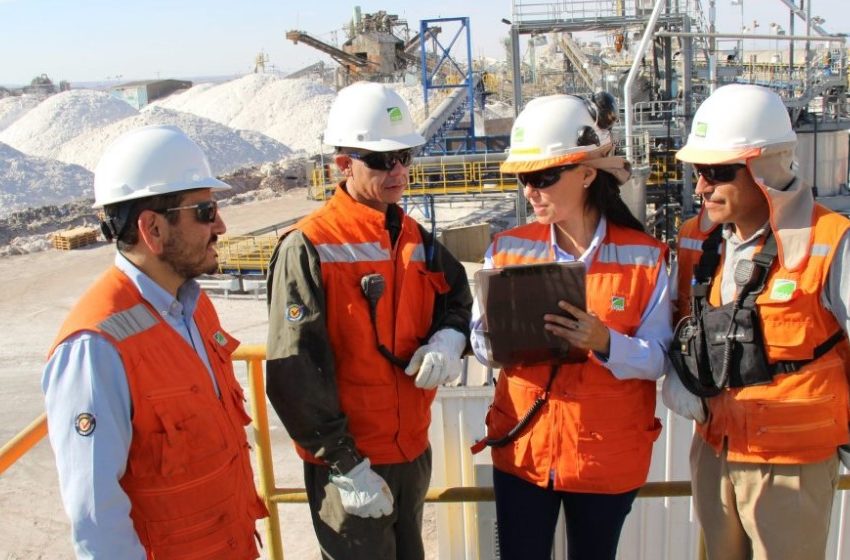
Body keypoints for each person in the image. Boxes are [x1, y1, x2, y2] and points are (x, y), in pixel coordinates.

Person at [265, 82, 472, 560]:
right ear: (344, 164)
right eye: (381, 160)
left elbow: (458, 297)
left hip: (410, 453)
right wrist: (345, 464)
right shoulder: (309, 246)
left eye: (404, 155)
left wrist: (447, 338)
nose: (398, 170)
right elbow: (294, 371)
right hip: (351, 467)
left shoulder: (414, 236)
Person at [42, 124, 268, 559]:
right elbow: (97, 521)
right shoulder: (94, 348)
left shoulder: (193, 307)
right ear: (152, 229)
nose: (220, 224)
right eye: (204, 211)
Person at [470, 93, 672, 560]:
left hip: (605, 457)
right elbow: (480, 342)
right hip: (524, 453)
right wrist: (499, 343)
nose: (530, 192)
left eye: (542, 178)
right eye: (524, 179)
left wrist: (606, 343)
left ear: (586, 173)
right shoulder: (506, 249)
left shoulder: (644, 257)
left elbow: (659, 358)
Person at [664, 83, 850, 560]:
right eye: (698, 172)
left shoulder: (831, 241)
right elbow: (678, 328)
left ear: (763, 168)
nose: (701, 186)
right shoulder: (695, 242)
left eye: (717, 172)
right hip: (714, 449)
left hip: (791, 464)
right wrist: (675, 379)